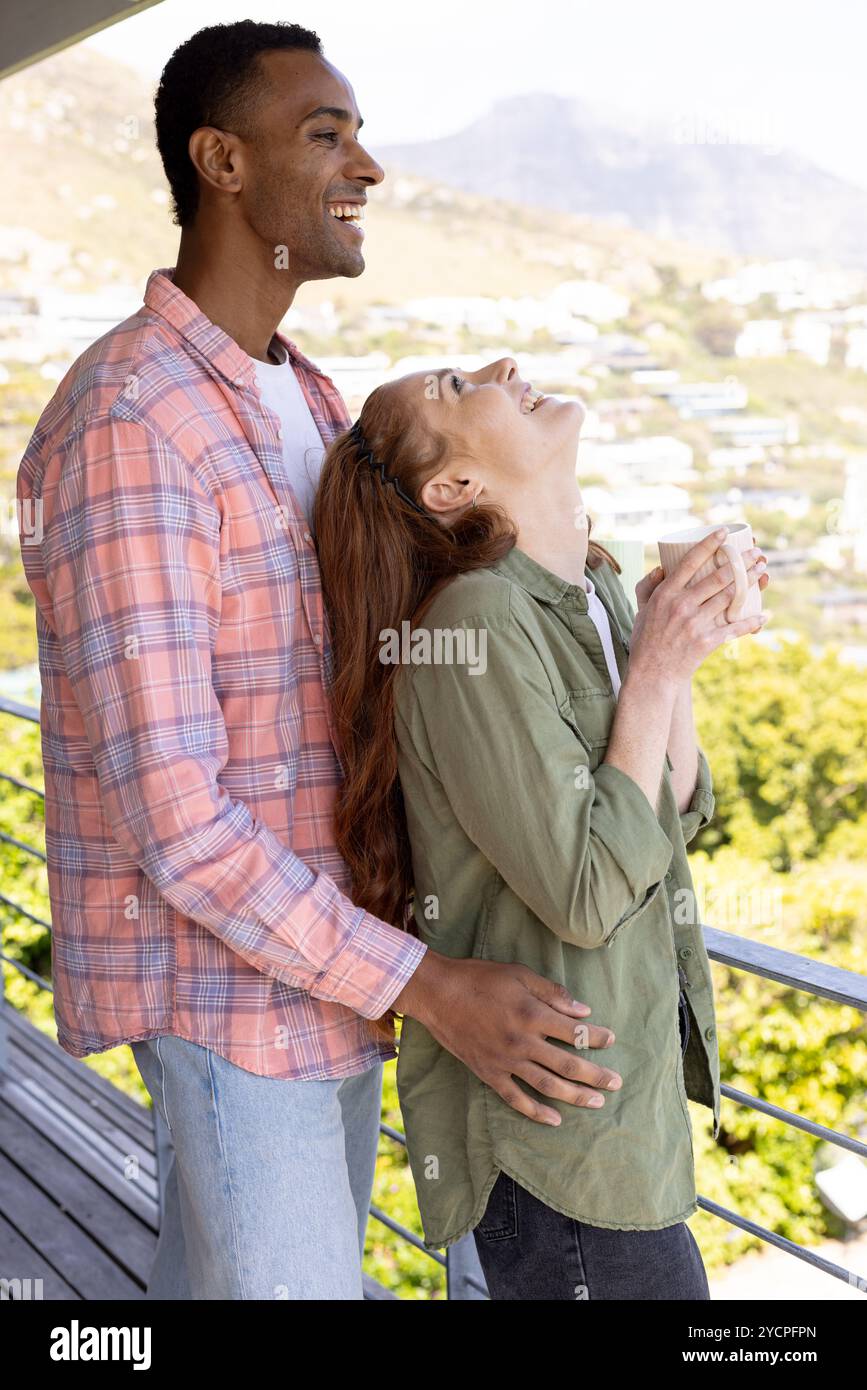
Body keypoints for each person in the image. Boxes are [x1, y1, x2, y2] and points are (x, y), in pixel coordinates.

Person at [16, 22, 618, 1300]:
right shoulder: (136, 424)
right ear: (222, 161)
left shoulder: (313, 399)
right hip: (239, 1015)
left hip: (334, 985)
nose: (370, 169)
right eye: (327, 134)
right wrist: (433, 983)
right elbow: (179, 823)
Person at [314, 357, 769, 1299]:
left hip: (621, 1121)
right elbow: (588, 891)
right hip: (558, 1147)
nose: (502, 367)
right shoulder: (472, 622)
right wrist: (653, 673)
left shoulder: (593, 592)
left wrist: (665, 650)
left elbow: (672, 805)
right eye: (452, 386)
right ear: (453, 488)